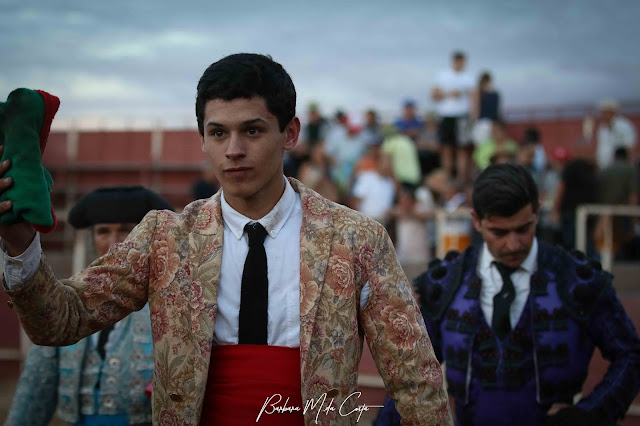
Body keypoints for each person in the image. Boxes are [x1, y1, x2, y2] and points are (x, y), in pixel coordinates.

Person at [0, 54, 452, 425]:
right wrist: (20, 244)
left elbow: (415, 381)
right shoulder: (165, 237)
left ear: (290, 133)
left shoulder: (356, 238)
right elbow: (60, 321)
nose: (233, 150)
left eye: (252, 130)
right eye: (218, 133)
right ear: (203, 139)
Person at [376, 163, 640, 426]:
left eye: (523, 229)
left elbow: (631, 355)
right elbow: (414, 376)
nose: (513, 244)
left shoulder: (575, 279)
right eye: (499, 232)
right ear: (476, 221)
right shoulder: (447, 283)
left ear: (537, 212)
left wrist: (589, 415)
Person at [6, 186, 173, 426]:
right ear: (92, 239)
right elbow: (33, 397)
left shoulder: (170, 305)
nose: (115, 243)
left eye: (126, 230)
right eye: (103, 231)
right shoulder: (67, 301)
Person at [431, 51, 475, 183]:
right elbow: (434, 96)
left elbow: (475, 98)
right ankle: (447, 179)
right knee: (446, 149)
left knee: (462, 149)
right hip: (446, 116)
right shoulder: (442, 76)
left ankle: (462, 180)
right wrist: (449, 94)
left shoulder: (468, 78)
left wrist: (474, 117)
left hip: (462, 116)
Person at [594, 98, 637, 170]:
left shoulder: (624, 126)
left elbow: (629, 146)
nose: (603, 115)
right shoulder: (602, 128)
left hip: (619, 167)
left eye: (605, 112)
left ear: (612, 112)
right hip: (604, 166)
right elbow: (600, 146)